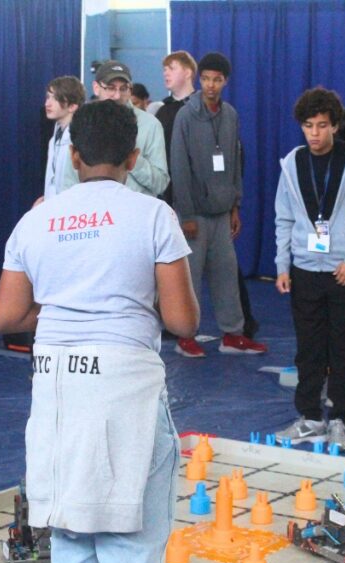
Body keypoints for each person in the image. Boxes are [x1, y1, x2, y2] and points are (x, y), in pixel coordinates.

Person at [0, 100, 199, 563]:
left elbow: (6, 317)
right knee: (130, 557)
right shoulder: (152, 214)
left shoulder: (37, 219)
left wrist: (63, 307)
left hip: (57, 385)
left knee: (72, 546)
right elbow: (183, 320)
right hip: (125, 387)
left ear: (74, 156)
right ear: (134, 157)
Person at [273, 88, 345, 450]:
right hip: (304, 268)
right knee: (309, 347)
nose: (315, 134)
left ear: (335, 125)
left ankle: (339, 418)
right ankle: (310, 417)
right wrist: (282, 265)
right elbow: (283, 218)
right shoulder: (292, 164)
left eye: (322, 126)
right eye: (308, 126)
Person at [171, 52, 267, 357]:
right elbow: (179, 166)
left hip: (222, 211)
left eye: (218, 79)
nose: (211, 85)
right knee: (190, 277)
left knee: (227, 274)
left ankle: (232, 334)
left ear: (225, 81)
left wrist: (235, 205)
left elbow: (235, 162)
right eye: (207, 78)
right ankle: (186, 335)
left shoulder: (231, 115)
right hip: (194, 212)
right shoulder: (186, 116)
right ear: (200, 79)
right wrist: (185, 214)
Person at [61, 60, 169, 198]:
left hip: (134, 214)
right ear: (96, 87)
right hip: (92, 214)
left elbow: (160, 184)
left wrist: (129, 155)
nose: (117, 96)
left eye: (123, 88)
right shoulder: (83, 121)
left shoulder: (151, 125)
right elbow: (67, 182)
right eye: (111, 88)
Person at [37, 76, 86, 204]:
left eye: (56, 99)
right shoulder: (54, 139)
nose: (47, 103)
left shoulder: (80, 139)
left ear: (72, 106)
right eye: (48, 97)